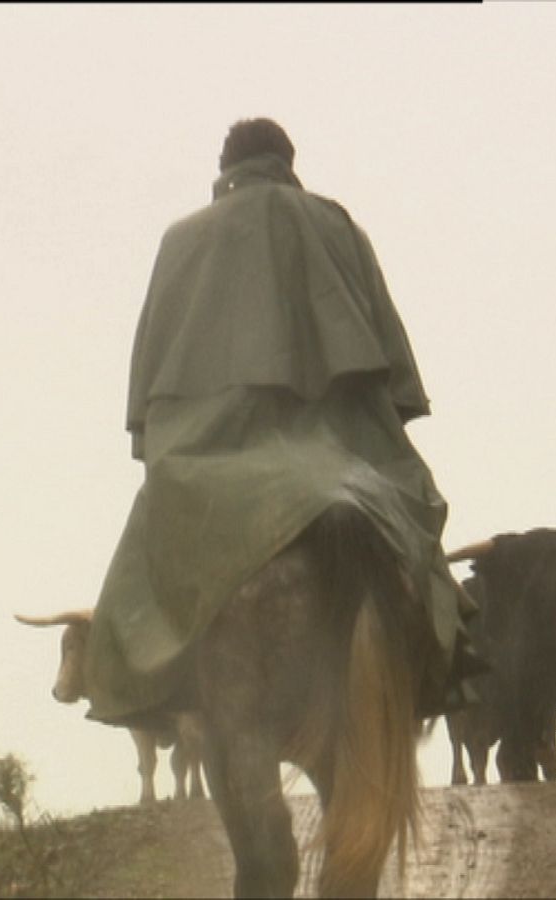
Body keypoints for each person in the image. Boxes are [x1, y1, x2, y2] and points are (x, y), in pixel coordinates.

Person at [80, 118, 478, 727]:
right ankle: (453, 658)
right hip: (341, 454)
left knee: (145, 569)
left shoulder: (181, 240)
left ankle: (137, 682)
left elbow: (149, 391)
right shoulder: (339, 227)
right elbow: (396, 382)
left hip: (212, 463)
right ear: (289, 163)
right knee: (413, 533)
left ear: (223, 166)